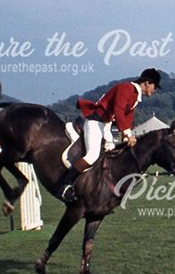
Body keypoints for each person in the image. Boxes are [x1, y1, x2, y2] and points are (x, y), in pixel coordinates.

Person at [59, 68, 161, 201]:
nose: (155, 90)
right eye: (155, 86)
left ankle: (97, 190)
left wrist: (127, 135)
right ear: (147, 83)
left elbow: (128, 117)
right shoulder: (126, 88)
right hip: (95, 122)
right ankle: (65, 185)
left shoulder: (135, 96)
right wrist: (127, 134)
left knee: (113, 157)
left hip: (105, 125)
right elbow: (119, 111)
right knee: (92, 155)